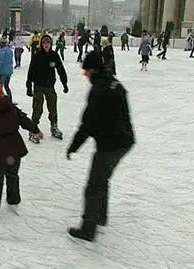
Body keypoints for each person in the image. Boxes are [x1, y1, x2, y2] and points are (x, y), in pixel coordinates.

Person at [66, 51, 135, 242]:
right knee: (102, 179)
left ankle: (88, 229)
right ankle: (101, 217)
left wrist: (73, 146)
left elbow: (88, 124)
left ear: (92, 69)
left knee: (94, 185)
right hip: (124, 141)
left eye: (85, 71)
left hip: (111, 144)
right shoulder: (113, 82)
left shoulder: (99, 89)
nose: (85, 75)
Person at [0, 79, 43, 221]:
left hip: (0, 151)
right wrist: (35, 130)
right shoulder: (11, 107)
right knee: (13, 175)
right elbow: (24, 120)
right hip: (16, 147)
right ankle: (13, 202)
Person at [26, 34, 69, 143]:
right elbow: (31, 71)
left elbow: (61, 70)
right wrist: (29, 86)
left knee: (52, 106)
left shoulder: (54, 56)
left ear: (50, 44)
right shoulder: (37, 55)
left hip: (50, 86)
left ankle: (54, 126)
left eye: (48, 43)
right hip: (38, 86)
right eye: (44, 43)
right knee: (38, 108)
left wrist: (64, 84)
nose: (46, 45)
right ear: (42, 44)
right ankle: (33, 128)